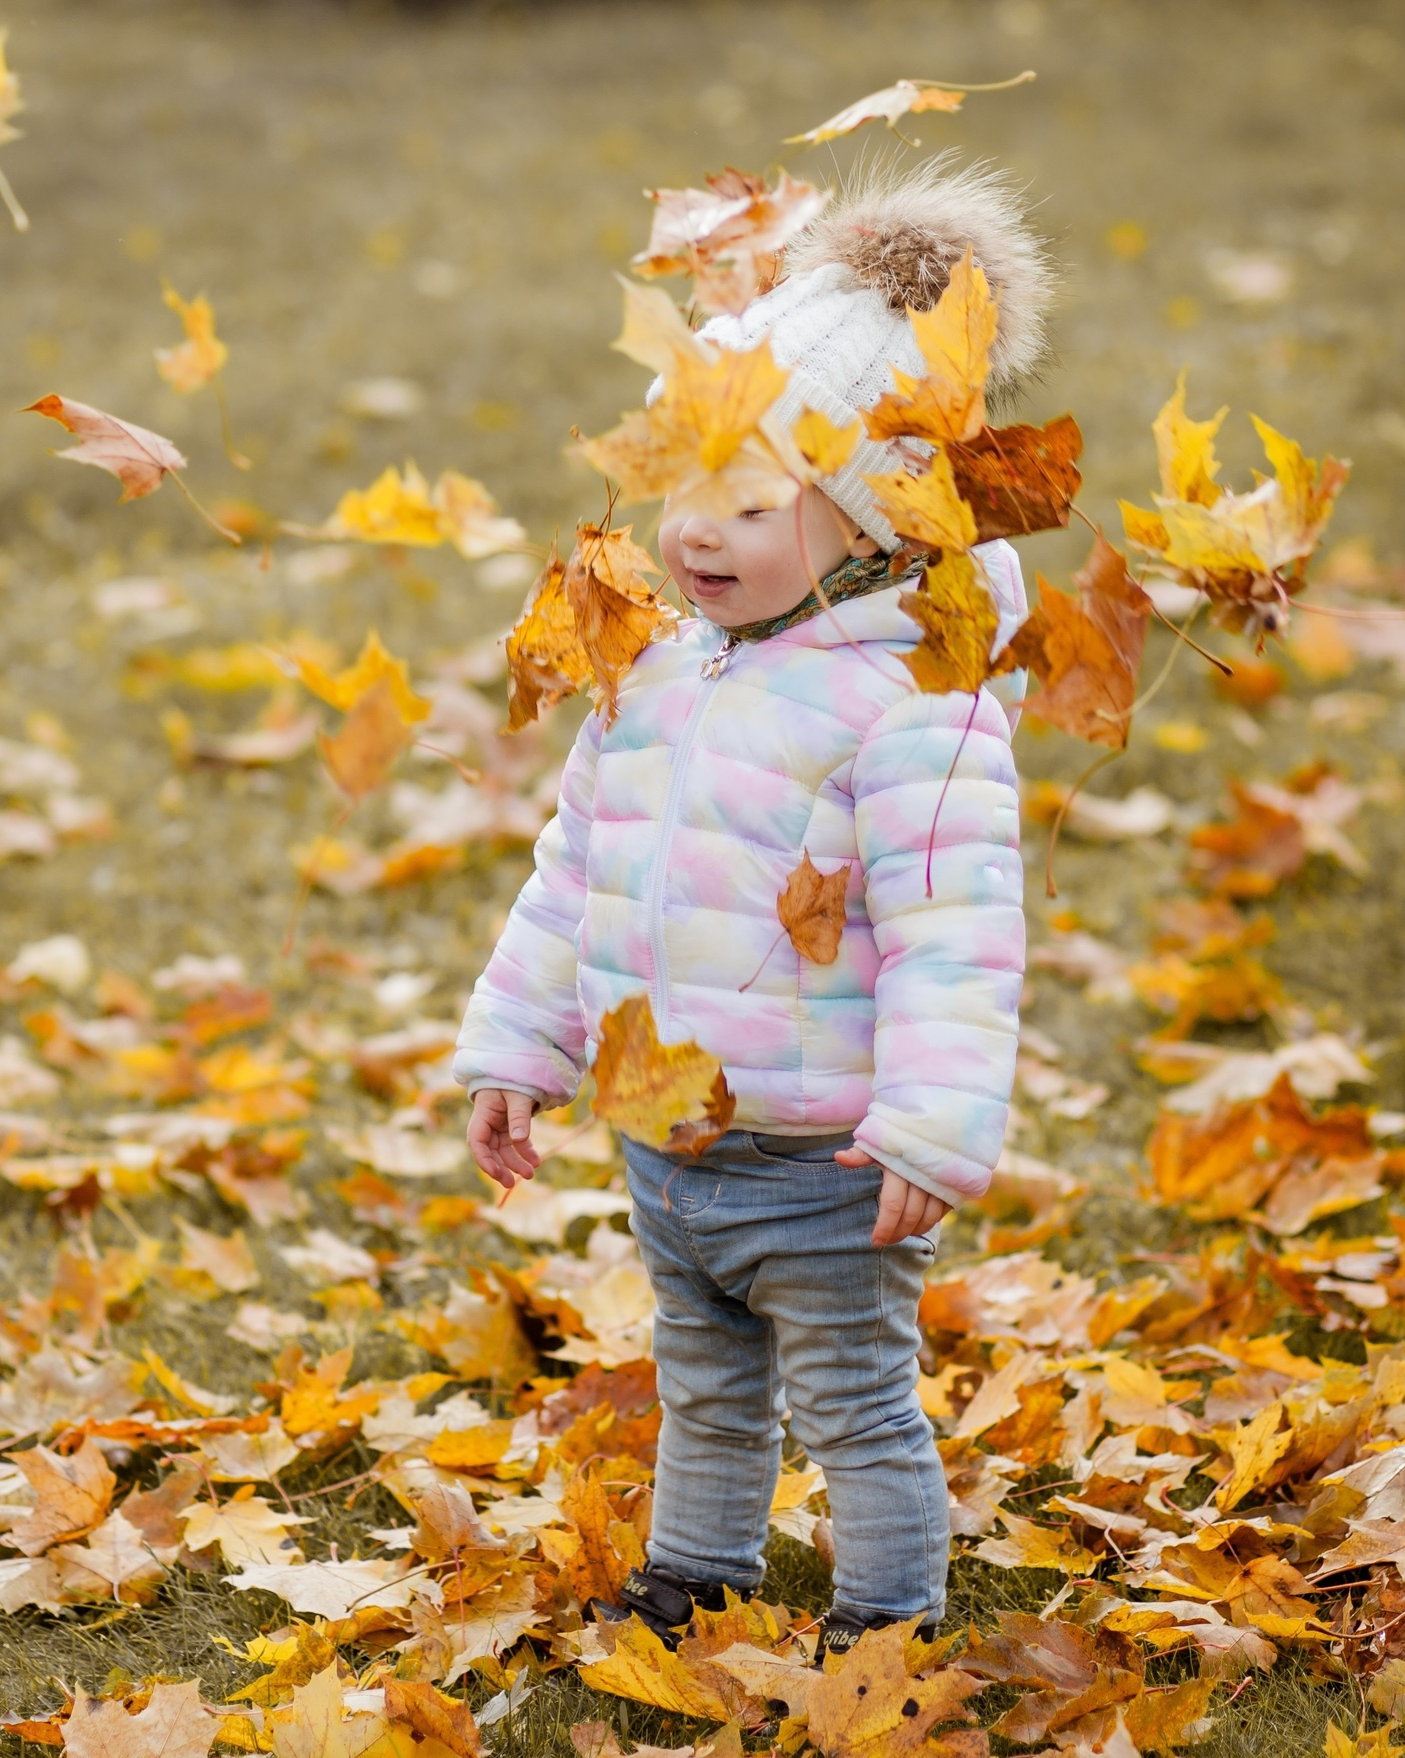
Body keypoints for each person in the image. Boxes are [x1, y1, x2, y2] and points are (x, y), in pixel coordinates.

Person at [453, 160, 1048, 1655]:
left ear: (865, 518)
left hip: (827, 1159)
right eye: (685, 491)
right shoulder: (657, 665)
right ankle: (696, 1572)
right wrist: (519, 1045)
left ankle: (888, 1619)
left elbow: (957, 932)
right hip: (675, 1130)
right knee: (705, 1380)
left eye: (753, 500)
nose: (697, 535)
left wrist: (930, 1124)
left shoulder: (918, 698)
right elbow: (576, 861)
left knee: (855, 1402)